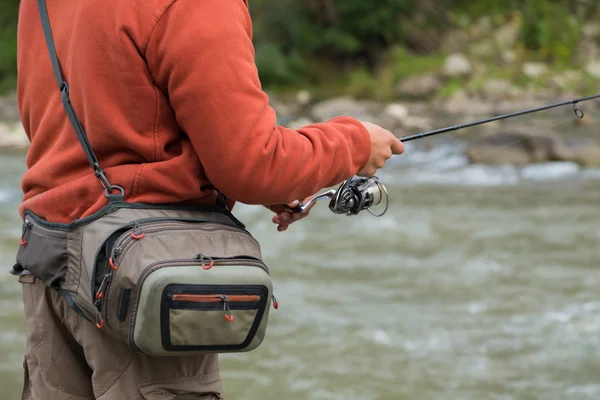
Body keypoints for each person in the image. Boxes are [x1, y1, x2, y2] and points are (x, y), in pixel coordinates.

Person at [15, 0, 405, 398]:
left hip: (50, 260)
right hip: (132, 279)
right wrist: (355, 143)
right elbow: (254, 163)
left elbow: (90, 130)